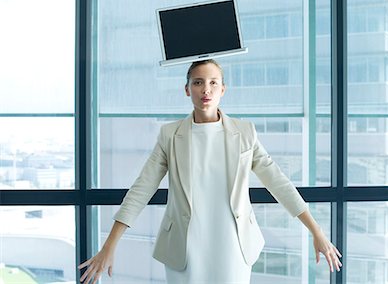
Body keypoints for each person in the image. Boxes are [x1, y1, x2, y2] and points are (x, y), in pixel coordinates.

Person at [79, 59, 342, 284]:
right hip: (185, 248)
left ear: (223, 89)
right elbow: (141, 189)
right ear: (186, 89)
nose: (206, 89)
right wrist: (109, 246)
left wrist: (316, 232)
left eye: (213, 82)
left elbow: (279, 183)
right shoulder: (170, 135)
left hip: (233, 246)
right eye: (198, 82)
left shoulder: (245, 133)